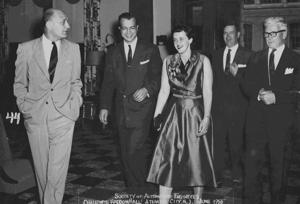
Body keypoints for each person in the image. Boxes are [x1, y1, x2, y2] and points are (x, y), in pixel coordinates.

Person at [14, 9, 82, 204]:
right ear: (49, 24)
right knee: (42, 172)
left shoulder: (73, 49)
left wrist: (74, 107)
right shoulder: (25, 49)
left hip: (64, 117)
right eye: (64, 22)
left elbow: (75, 82)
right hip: (36, 118)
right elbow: (19, 84)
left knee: (56, 172)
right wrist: (25, 108)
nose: (68, 26)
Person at [147, 25, 216, 204]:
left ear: (190, 40)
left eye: (181, 39)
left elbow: (208, 92)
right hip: (173, 115)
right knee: (167, 160)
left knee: (196, 160)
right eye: (175, 39)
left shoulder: (203, 61)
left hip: (196, 114)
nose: (178, 43)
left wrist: (207, 117)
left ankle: (197, 201)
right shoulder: (168, 61)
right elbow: (163, 91)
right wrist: (157, 116)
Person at [99, 12, 162, 188]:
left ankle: (138, 192)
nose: (128, 32)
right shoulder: (112, 52)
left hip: (142, 110)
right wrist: (104, 106)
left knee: (135, 150)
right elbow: (108, 82)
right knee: (126, 153)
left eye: (132, 28)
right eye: (124, 29)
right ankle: (134, 188)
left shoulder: (150, 49)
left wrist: (147, 90)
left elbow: (158, 78)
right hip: (120, 110)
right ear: (119, 30)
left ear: (137, 28)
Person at [243, 17, 300, 204]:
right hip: (256, 124)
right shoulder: (256, 57)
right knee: (252, 171)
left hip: (282, 125)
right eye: (266, 33)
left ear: (284, 34)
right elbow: (245, 84)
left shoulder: (295, 59)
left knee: (279, 170)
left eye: (273, 34)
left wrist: (277, 97)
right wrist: (258, 94)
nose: (268, 37)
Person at [211, 22, 252, 184]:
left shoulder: (248, 55)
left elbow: (251, 82)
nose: (228, 36)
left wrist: (238, 74)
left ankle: (237, 174)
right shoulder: (215, 54)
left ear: (238, 35)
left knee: (237, 143)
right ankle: (217, 175)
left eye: (231, 33)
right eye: (225, 33)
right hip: (218, 109)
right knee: (218, 144)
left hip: (239, 109)